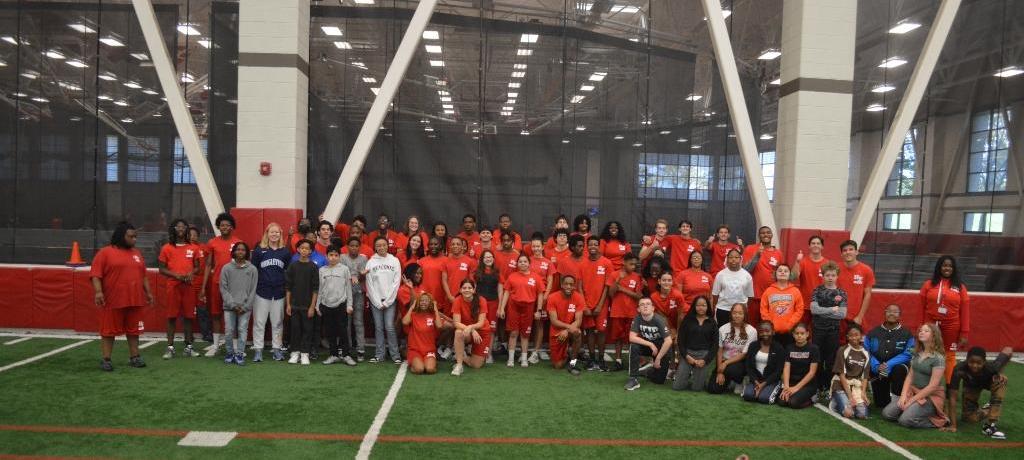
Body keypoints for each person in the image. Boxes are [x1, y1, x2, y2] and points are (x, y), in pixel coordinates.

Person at [91, 221, 154, 371]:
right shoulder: (105, 253)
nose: (135, 239)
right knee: (108, 331)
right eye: (131, 236)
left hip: (135, 299)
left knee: (134, 330)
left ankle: (135, 357)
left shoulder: (137, 253)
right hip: (113, 300)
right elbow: (95, 275)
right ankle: (106, 359)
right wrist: (99, 292)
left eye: (136, 237)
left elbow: (143, 275)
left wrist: (149, 293)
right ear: (121, 236)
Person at [882, 323, 950, 428]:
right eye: (921, 330)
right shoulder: (916, 354)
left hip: (930, 397)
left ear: (934, 336)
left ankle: (939, 421)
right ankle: (911, 412)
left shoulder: (938, 358)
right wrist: (903, 396)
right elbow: (909, 377)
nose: (922, 332)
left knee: (904, 421)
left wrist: (910, 402)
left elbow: (932, 387)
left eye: (926, 331)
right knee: (887, 414)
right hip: (913, 392)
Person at [919, 255, 970, 383]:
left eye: (950, 266)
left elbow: (965, 311)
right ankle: (926, 384)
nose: (947, 268)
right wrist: (920, 327)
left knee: (949, 356)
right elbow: (920, 308)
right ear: (939, 267)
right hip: (930, 324)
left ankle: (949, 385)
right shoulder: (928, 284)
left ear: (954, 269)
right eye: (944, 265)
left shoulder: (960, 287)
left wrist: (964, 333)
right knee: (928, 353)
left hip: (951, 326)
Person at [944, 346, 1012, 438]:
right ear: (966, 360)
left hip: (989, 382)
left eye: (979, 363)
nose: (975, 365)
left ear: (984, 362)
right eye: (971, 362)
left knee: (1001, 380)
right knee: (968, 418)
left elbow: (1008, 349)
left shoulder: (992, 367)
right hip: (971, 385)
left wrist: (1001, 370)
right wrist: (953, 425)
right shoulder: (959, 369)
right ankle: (988, 408)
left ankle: (991, 425)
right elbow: (952, 397)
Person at [157, 219, 200, 359]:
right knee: (171, 316)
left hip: (188, 286)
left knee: (189, 317)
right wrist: (176, 275)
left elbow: (198, 267)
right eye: (178, 227)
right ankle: (170, 347)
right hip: (173, 286)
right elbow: (161, 269)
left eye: (183, 227)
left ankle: (188, 347)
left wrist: (190, 274)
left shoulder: (193, 248)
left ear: (187, 229)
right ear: (173, 229)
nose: (181, 229)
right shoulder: (166, 248)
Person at [202, 212, 242, 357]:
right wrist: (203, 287)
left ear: (232, 227)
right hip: (216, 283)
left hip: (233, 285)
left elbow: (242, 264)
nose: (225, 227)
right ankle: (216, 345)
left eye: (227, 225)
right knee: (216, 314)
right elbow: (208, 265)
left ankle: (236, 346)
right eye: (222, 225)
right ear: (218, 227)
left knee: (234, 314)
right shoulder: (212, 242)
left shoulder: (238, 242)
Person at [498, 254, 546, 368]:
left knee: (525, 334)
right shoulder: (512, 276)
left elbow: (540, 294)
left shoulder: (536, 277)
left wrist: (539, 310)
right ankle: (510, 359)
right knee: (513, 333)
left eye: (525, 261)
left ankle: (524, 359)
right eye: (520, 262)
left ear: (529, 264)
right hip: (513, 307)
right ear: (517, 264)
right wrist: (502, 308)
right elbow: (506, 292)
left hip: (528, 308)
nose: (523, 263)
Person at [251, 222, 290, 362]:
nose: (274, 235)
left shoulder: (284, 251)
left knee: (278, 322)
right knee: (259, 322)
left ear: (280, 235)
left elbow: (287, 271)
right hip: (261, 292)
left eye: (277, 232)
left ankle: (277, 349)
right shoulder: (259, 251)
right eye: (271, 232)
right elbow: (253, 272)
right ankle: (258, 350)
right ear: (267, 234)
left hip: (279, 292)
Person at [865, 304, 915, 409]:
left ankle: (898, 398)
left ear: (900, 315)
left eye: (895, 312)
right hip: (878, 370)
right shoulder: (873, 333)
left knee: (899, 369)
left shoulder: (907, 334)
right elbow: (866, 351)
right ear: (884, 313)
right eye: (889, 311)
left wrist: (889, 365)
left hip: (896, 370)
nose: (891, 314)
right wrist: (876, 366)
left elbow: (908, 353)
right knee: (881, 404)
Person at [810, 261, 847, 393]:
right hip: (818, 330)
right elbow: (814, 310)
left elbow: (842, 314)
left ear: (837, 276)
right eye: (827, 275)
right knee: (817, 359)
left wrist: (823, 311)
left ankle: (828, 387)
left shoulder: (841, 293)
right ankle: (816, 386)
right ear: (823, 276)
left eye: (833, 275)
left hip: (833, 331)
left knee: (831, 360)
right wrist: (832, 309)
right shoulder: (817, 291)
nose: (830, 277)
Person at [365, 236, 403, 364]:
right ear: (375, 247)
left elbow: (396, 282)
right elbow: (369, 283)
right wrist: (377, 302)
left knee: (390, 327)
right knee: (379, 328)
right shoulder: (371, 262)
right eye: (378, 245)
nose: (381, 247)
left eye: (384, 245)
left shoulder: (394, 261)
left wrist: (387, 301)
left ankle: (395, 355)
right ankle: (379, 355)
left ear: (388, 246)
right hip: (375, 300)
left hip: (390, 301)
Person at [219, 242, 258, 365]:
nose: (240, 252)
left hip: (245, 308)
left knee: (242, 330)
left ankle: (240, 353)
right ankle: (230, 353)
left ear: (246, 253)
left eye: (243, 250)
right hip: (229, 307)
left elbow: (253, 290)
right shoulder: (226, 268)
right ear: (234, 252)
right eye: (238, 249)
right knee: (229, 330)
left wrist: (245, 306)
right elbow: (223, 288)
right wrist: (232, 305)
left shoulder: (252, 269)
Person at [624, 298, 674, 391]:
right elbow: (632, 337)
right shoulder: (637, 318)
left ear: (653, 308)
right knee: (634, 346)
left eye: (648, 304)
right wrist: (650, 344)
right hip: (649, 346)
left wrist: (658, 358)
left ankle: (647, 371)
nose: (645, 306)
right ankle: (633, 379)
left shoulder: (659, 320)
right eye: (642, 304)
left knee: (659, 380)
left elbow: (668, 341)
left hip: (662, 348)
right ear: (638, 309)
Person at [320, 245, 356, 366]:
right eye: (331, 255)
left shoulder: (344, 269)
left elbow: (348, 288)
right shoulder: (322, 270)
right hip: (326, 305)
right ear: (327, 256)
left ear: (339, 257)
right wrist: (317, 305)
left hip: (341, 304)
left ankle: (346, 355)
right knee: (330, 331)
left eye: (336, 255)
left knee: (342, 331)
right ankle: (333, 355)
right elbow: (320, 289)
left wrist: (349, 305)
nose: (333, 257)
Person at [708, 303, 757, 395]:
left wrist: (725, 364)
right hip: (723, 361)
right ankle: (730, 381)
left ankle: (741, 380)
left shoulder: (752, 331)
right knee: (713, 389)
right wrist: (719, 371)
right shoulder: (723, 328)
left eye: (740, 313)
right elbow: (719, 350)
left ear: (745, 315)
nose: (737, 315)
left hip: (740, 362)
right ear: (731, 314)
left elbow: (744, 354)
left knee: (732, 370)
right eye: (734, 313)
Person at [581, 236, 613, 371]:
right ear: (587, 247)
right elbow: (579, 286)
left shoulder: (606, 263)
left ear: (599, 246)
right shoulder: (582, 263)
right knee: (589, 331)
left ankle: (601, 359)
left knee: (601, 331)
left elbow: (607, 286)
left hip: (602, 304)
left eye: (595, 244)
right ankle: (592, 358)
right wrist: (584, 305)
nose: (593, 246)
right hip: (587, 304)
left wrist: (600, 305)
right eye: (590, 244)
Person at [607, 253, 643, 371]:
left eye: (635, 264)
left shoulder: (637, 277)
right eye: (631, 264)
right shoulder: (614, 275)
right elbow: (611, 294)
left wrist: (622, 289)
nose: (633, 266)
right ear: (624, 262)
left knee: (632, 338)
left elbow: (638, 296)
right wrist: (618, 280)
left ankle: (632, 360)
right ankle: (618, 360)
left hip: (632, 313)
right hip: (617, 312)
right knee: (618, 338)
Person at [673, 296, 718, 391]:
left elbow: (715, 345)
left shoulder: (712, 322)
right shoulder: (687, 320)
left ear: (708, 307)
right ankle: (686, 374)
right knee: (677, 387)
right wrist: (686, 356)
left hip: (703, 356)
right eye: (698, 305)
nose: (701, 308)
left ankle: (698, 378)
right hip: (688, 354)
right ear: (694, 306)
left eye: (704, 305)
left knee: (697, 388)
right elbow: (680, 341)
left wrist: (705, 360)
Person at [285, 240, 319, 365]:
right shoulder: (293, 266)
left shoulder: (313, 267)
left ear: (310, 251)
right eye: (302, 248)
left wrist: (312, 306)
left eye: (307, 248)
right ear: (298, 249)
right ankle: (295, 353)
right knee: (295, 329)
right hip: (294, 305)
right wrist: (288, 304)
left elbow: (316, 289)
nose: (304, 250)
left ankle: (305, 354)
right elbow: (288, 287)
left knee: (307, 330)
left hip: (307, 306)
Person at [742, 226, 783, 326]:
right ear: (759, 235)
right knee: (751, 325)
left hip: (771, 297)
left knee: (768, 326)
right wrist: (757, 256)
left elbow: (781, 275)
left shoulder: (778, 253)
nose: (766, 234)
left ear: (772, 235)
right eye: (763, 233)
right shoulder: (750, 249)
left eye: (768, 232)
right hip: (753, 296)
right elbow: (745, 270)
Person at [829, 324, 871, 419]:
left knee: (862, 415)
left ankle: (845, 403)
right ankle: (835, 402)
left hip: (856, 386)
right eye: (851, 335)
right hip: (841, 384)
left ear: (861, 336)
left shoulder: (866, 353)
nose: (854, 338)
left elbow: (865, 376)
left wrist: (863, 393)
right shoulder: (842, 350)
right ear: (847, 337)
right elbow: (841, 375)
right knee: (849, 414)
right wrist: (850, 397)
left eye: (856, 335)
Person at [451, 279, 491, 375]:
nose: (467, 290)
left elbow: (481, 323)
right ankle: (459, 365)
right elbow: (456, 323)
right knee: (458, 332)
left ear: (474, 290)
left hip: (482, 331)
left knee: (476, 365)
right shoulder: (457, 300)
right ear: (460, 290)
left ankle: (460, 356)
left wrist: (471, 328)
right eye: (464, 288)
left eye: (469, 288)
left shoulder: (482, 300)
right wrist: (471, 330)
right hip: (467, 331)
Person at [546, 275, 584, 374]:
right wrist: (567, 328)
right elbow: (554, 321)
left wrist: (567, 331)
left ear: (574, 286)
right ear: (562, 285)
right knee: (558, 366)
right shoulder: (552, 297)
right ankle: (567, 354)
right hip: (557, 331)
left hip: (570, 330)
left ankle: (573, 363)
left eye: (571, 284)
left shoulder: (579, 297)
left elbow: (578, 321)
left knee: (577, 332)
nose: (568, 286)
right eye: (566, 284)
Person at [760, 264, 804, 348]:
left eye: (786, 271)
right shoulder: (768, 291)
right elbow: (763, 309)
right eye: (780, 271)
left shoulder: (795, 291)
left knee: (787, 354)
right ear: (775, 274)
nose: (783, 272)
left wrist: (790, 324)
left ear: (790, 274)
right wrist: (770, 325)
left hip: (790, 331)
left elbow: (799, 310)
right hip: (772, 331)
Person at [742, 321, 786, 404]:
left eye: (767, 331)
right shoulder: (753, 345)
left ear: (773, 332)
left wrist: (763, 384)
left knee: (764, 399)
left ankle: (775, 388)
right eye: (761, 331)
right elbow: (748, 366)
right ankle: (755, 388)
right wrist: (756, 381)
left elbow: (778, 371)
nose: (764, 333)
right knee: (748, 396)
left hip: (771, 381)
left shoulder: (779, 348)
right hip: (756, 380)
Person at [340, 236, 369, 361]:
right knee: (345, 322)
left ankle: (360, 349)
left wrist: (361, 276)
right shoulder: (342, 258)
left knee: (358, 321)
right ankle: (346, 348)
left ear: (359, 247)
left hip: (358, 293)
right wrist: (349, 278)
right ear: (347, 247)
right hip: (345, 294)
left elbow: (365, 277)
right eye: (351, 245)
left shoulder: (363, 258)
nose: (354, 248)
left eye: (356, 246)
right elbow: (340, 274)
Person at [791, 235, 830, 325]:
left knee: (818, 333)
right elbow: (793, 277)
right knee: (801, 332)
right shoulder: (802, 261)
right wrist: (797, 261)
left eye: (818, 243)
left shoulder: (827, 264)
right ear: (809, 246)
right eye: (813, 243)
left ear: (822, 247)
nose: (815, 245)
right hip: (804, 305)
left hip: (821, 306)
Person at [778, 323, 819, 409]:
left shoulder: (814, 349)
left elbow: (812, 373)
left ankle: (813, 398)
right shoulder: (789, 348)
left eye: (802, 333)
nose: (799, 336)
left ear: (807, 334)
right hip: (792, 381)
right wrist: (786, 386)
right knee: (782, 401)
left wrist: (796, 388)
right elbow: (786, 368)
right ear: (793, 334)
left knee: (793, 403)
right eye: (797, 333)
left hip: (807, 384)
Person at [837, 240, 875, 329]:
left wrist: (860, 316)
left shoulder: (866, 270)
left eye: (851, 249)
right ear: (841, 254)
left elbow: (868, 294)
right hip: (838, 316)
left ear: (856, 252)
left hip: (856, 317)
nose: (848, 252)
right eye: (845, 250)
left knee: (855, 342)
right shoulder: (835, 269)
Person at [403, 292, 441, 375]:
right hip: (415, 350)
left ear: (430, 303)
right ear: (418, 302)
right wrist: (412, 308)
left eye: (426, 301)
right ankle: (414, 364)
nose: (423, 302)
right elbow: (405, 322)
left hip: (429, 350)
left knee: (430, 370)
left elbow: (439, 325)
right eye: (421, 301)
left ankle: (430, 362)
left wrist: (436, 309)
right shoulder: (413, 315)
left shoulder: (433, 315)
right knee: (419, 370)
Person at [474, 250, 501, 364]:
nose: (488, 259)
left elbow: (500, 290)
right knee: (479, 328)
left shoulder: (497, 272)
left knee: (491, 330)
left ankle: (488, 354)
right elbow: (473, 289)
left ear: (493, 259)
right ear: (482, 259)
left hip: (493, 303)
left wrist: (500, 307)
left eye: (490, 257)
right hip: (480, 303)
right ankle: (478, 353)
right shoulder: (477, 272)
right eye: (486, 257)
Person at [187, 226, 212, 343]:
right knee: (187, 310)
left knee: (202, 310)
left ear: (198, 236)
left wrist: (203, 286)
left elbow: (208, 265)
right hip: (187, 284)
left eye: (195, 235)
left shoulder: (204, 248)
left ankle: (206, 333)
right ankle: (188, 334)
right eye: (190, 235)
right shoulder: (182, 248)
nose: (192, 237)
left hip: (200, 284)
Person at [649, 272, 686, 339]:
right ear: (659, 281)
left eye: (669, 280)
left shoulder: (678, 295)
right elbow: (661, 316)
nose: (666, 283)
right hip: (664, 324)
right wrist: (670, 329)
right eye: (664, 280)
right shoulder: (653, 297)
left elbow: (680, 315)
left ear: (672, 282)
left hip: (679, 324)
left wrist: (678, 333)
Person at [677, 250, 712, 318]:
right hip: (687, 310)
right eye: (694, 257)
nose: (696, 259)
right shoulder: (683, 274)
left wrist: (710, 310)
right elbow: (678, 295)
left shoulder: (708, 276)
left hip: (704, 311)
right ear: (690, 260)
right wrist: (686, 308)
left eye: (698, 257)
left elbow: (711, 297)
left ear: (702, 260)